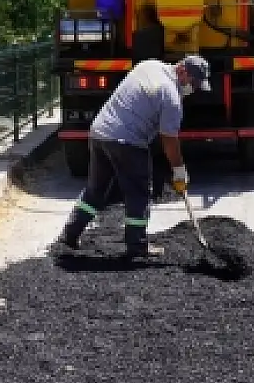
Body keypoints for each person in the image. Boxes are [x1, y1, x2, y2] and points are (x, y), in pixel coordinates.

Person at [57, 55, 210, 258]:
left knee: (96, 189)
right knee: (138, 193)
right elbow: (169, 141)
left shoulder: (150, 65)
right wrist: (179, 171)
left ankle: (70, 233)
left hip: (100, 133)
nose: (193, 88)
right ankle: (137, 245)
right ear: (182, 71)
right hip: (127, 142)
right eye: (193, 83)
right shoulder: (171, 97)